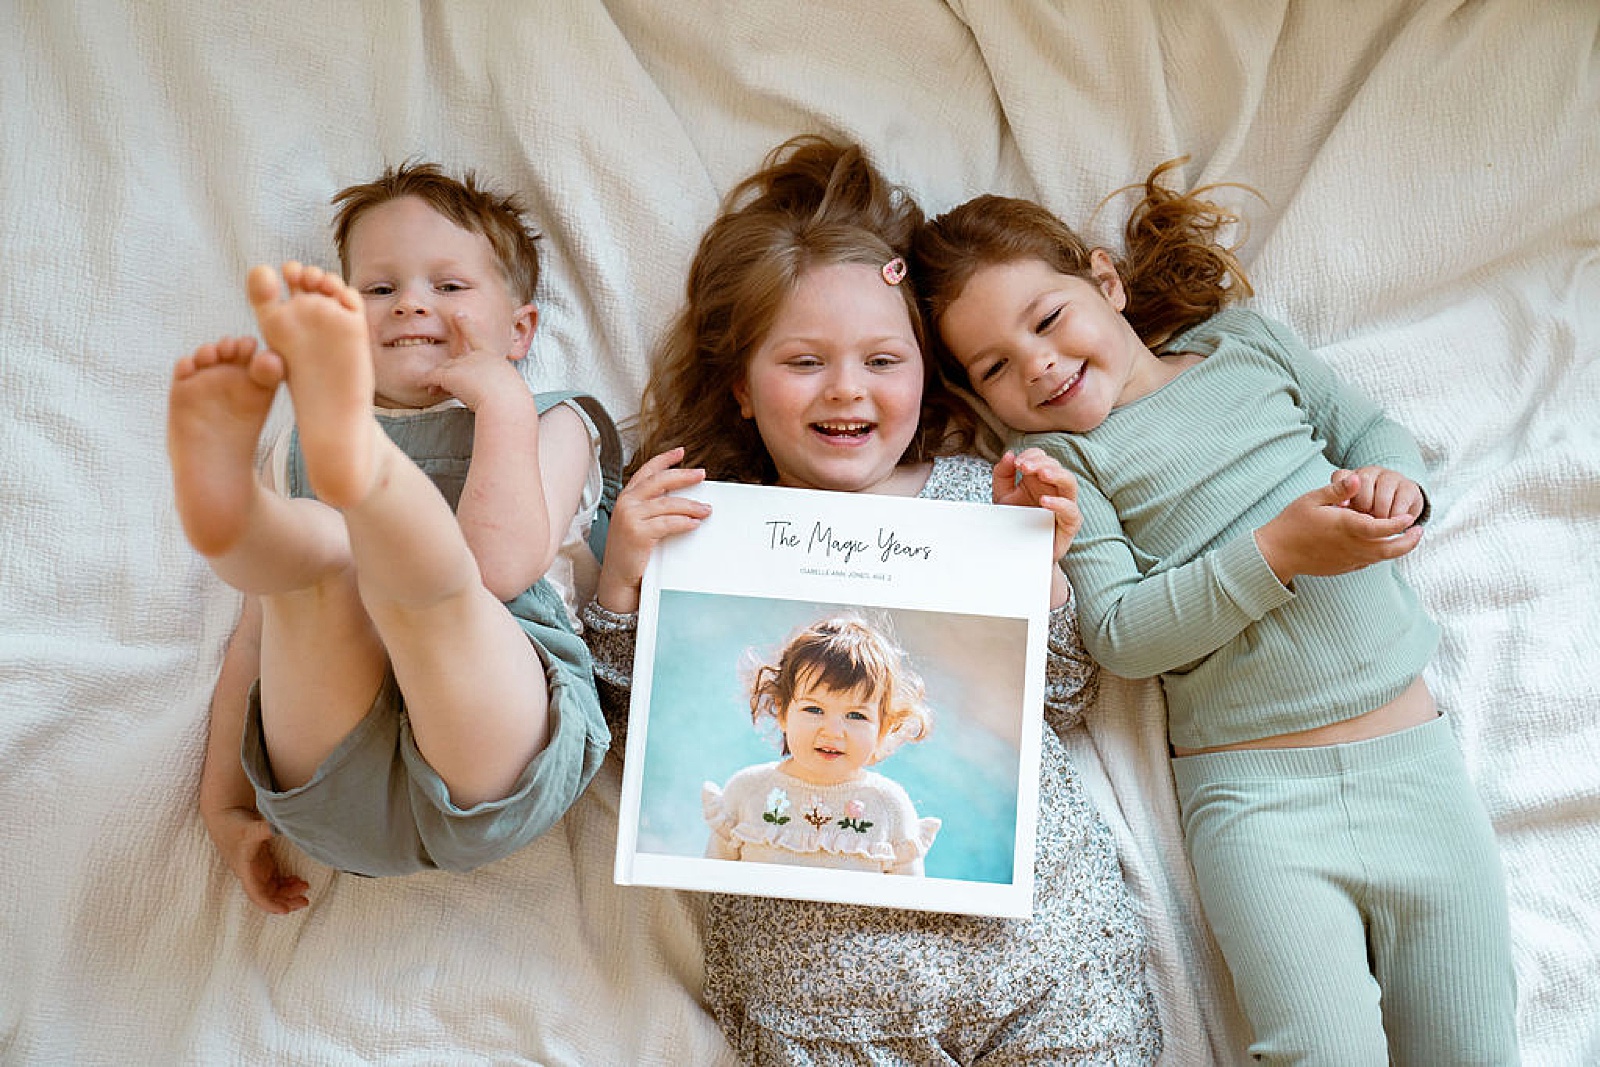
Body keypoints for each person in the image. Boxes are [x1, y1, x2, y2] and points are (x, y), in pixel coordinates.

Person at [913, 160, 1519, 1065]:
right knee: (1317, 1049)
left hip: (1416, 768)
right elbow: (1120, 634)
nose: (1037, 363)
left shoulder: (1244, 347)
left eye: (1048, 318)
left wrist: (1401, 488)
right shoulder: (1064, 468)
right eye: (995, 365)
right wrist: (1276, 552)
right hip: (1256, 804)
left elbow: (1372, 432)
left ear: (1105, 280)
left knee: (1476, 1045)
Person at [581, 135, 1160, 1063]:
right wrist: (623, 576)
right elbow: (623, 729)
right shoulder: (698, 524)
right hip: (816, 1008)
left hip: (1040, 964)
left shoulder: (981, 492)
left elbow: (1067, 699)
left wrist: (1041, 566)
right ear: (739, 385)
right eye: (804, 362)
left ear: (925, 373)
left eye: (883, 361)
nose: (847, 389)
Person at [169, 162, 622, 909]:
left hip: (498, 754)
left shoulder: (552, 421)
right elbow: (254, 644)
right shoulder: (302, 447)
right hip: (334, 792)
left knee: (437, 593)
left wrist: (503, 406)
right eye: (380, 289)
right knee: (307, 576)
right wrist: (226, 802)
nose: (411, 303)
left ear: (520, 328)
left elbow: (499, 568)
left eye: (448, 287)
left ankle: (364, 499)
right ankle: (243, 519)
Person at [703, 614, 941, 874]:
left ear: (883, 728)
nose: (832, 731)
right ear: (782, 712)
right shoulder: (747, 791)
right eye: (814, 709)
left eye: (856, 715)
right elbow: (707, 890)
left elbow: (908, 907)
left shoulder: (890, 808)